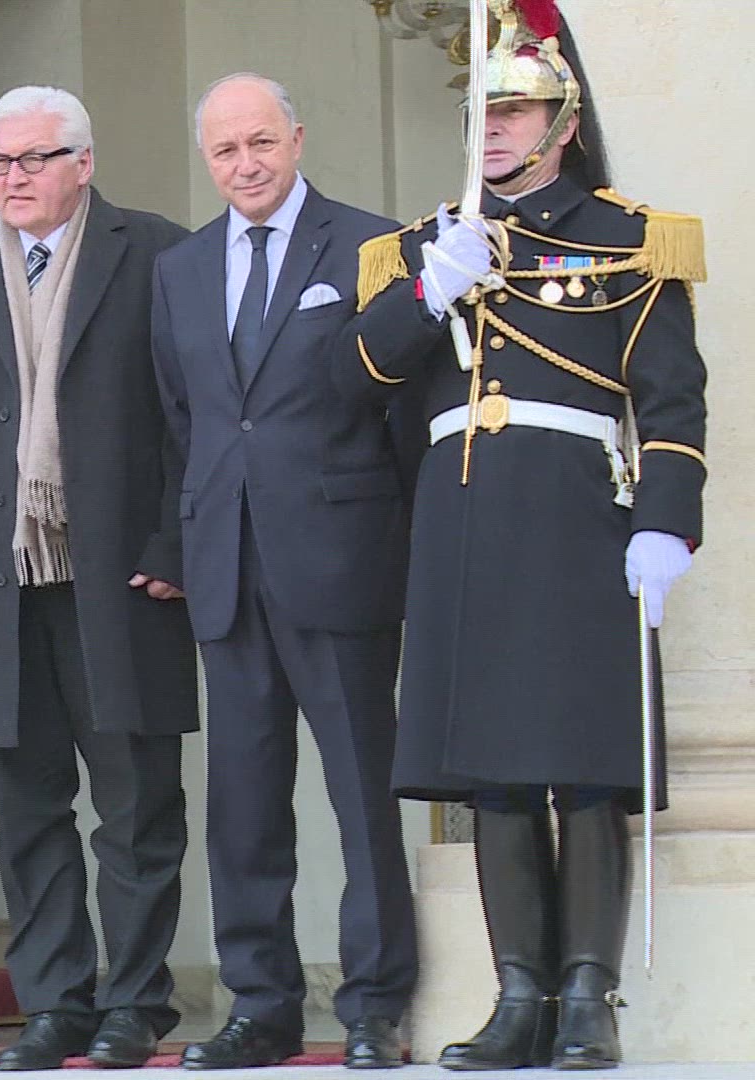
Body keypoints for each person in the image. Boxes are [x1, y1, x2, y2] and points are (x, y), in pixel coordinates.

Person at [338, 0, 706, 1069]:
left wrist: (666, 526)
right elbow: (353, 379)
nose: (493, 128)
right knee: (494, 771)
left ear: (563, 124)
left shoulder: (628, 239)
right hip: (463, 528)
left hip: (578, 520)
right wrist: (429, 292)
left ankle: (588, 995)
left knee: (584, 764)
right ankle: (518, 996)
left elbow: (672, 402)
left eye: (516, 110)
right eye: (483, 111)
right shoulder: (421, 247)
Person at [0, 85, 198, 1072]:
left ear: (84, 162)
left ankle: (134, 1003)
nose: (13, 177)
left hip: (124, 582)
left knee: (139, 810)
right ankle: (55, 1006)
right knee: (26, 813)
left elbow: (191, 414)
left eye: (34, 158)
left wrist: (174, 545)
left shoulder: (158, 253)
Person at [149, 73, 419, 1071]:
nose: (246, 164)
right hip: (226, 564)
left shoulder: (371, 246)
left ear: (297, 139)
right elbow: (183, 416)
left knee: (362, 792)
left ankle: (375, 1005)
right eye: (226, 150)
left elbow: (401, 411)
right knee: (244, 805)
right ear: (207, 158)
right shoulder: (179, 269)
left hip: (341, 557)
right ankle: (259, 1005)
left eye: (261, 142)